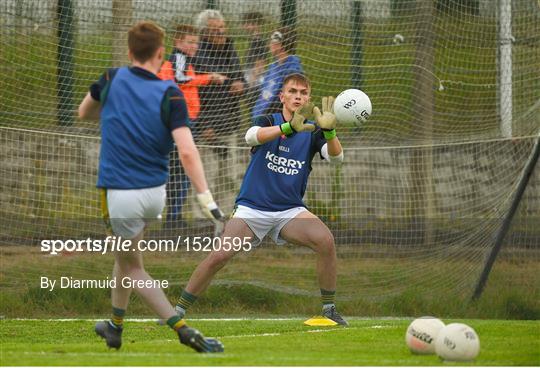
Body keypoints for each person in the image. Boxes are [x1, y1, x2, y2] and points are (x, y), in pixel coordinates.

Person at [78, 21, 224, 353]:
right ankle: (114, 326)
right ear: (161, 54)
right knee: (125, 255)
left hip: (120, 193)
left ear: (129, 52)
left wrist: (111, 110)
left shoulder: (111, 79)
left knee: (133, 268)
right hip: (153, 195)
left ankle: (186, 332)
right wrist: (206, 198)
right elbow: (187, 151)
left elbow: (84, 112)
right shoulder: (170, 92)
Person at [174, 73, 348, 326]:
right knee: (219, 256)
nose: (298, 96)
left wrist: (330, 132)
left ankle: (329, 310)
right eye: (292, 91)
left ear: (309, 97)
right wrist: (288, 128)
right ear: (282, 96)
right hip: (252, 208)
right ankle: (177, 311)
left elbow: (336, 159)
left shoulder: (314, 131)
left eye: (303, 92)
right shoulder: (268, 119)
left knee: (326, 241)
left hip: (289, 211)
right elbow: (251, 136)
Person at [157, 24, 227, 229]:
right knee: (182, 169)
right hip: (181, 122)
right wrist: (211, 78)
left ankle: (173, 216)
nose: (194, 45)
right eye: (190, 41)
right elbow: (180, 79)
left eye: (196, 42)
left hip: (185, 120)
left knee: (178, 170)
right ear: (178, 42)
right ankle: (172, 216)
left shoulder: (183, 61)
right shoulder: (178, 58)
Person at [192, 9, 245, 185]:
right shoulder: (197, 55)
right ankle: (202, 213)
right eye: (215, 29)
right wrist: (203, 126)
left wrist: (241, 86)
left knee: (230, 179)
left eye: (222, 27)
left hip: (230, 126)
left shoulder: (231, 49)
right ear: (204, 33)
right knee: (207, 179)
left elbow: (241, 79)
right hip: (208, 131)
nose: (221, 32)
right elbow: (193, 94)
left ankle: (227, 213)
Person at [251, 27, 303, 119]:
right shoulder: (274, 65)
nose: (269, 45)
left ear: (279, 45)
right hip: (261, 115)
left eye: (272, 42)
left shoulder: (292, 69)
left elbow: (289, 99)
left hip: (275, 119)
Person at [241, 12, 268, 113]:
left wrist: (251, 84)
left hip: (255, 83)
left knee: (255, 111)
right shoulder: (253, 40)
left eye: (247, 23)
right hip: (252, 80)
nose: (244, 26)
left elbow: (260, 64)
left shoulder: (258, 41)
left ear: (255, 24)